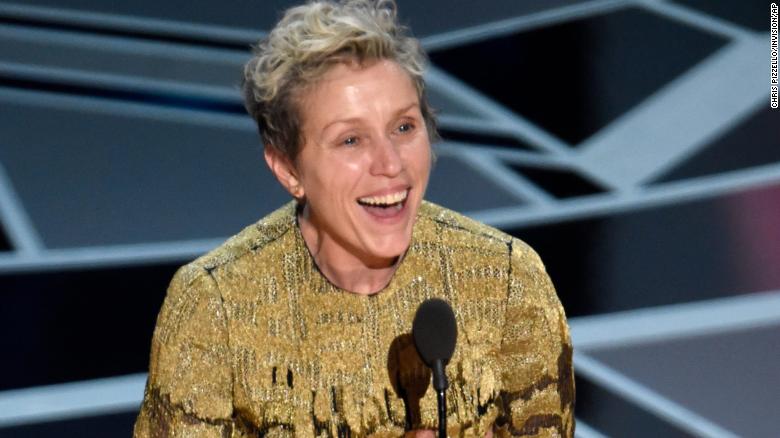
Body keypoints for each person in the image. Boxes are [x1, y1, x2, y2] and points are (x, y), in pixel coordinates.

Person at [133, 0, 574, 436]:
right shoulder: (216, 306)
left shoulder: (506, 279)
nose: (390, 164)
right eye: (350, 140)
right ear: (288, 168)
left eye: (404, 127)